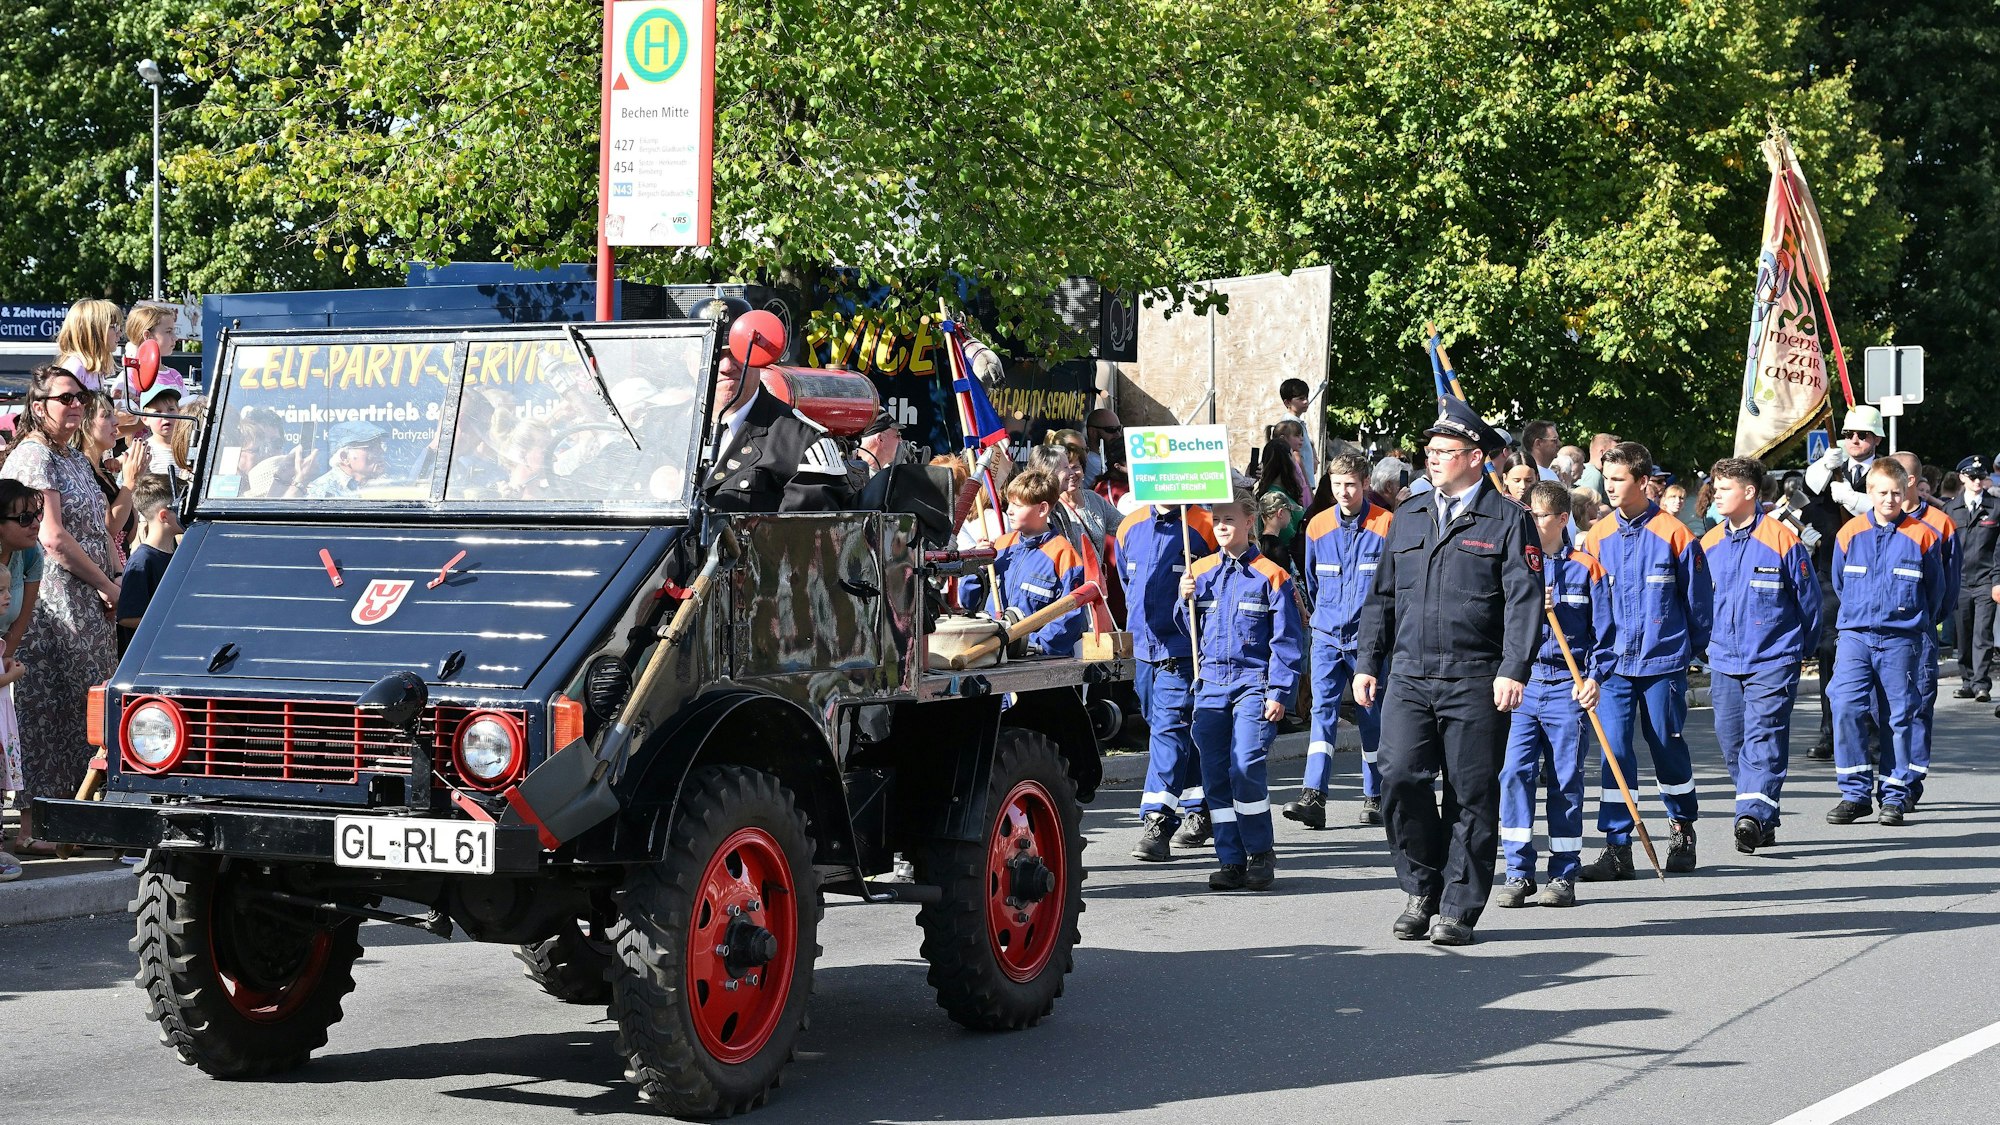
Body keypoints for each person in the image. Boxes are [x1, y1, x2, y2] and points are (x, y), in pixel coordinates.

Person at [1354, 397, 1541, 945]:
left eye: (1444, 450)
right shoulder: (1409, 513)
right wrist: (1367, 661)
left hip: (1477, 675)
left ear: (1476, 457)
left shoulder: (1509, 519)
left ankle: (1458, 906)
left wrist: (1514, 668)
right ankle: (1421, 887)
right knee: (1398, 776)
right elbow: (1382, 596)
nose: (1431, 458)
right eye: (1429, 450)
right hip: (1410, 674)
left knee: (1470, 793)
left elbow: (1524, 601)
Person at [1576, 441, 1711, 881]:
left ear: (1642, 481)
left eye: (1618, 480)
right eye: (1606, 479)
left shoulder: (1676, 534)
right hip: (1612, 666)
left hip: (1662, 663)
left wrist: (1683, 653)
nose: (1609, 487)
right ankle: (1618, 846)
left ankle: (1681, 827)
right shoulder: (1597, 537)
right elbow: (1589, 604)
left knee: (1666, 746)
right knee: (1614, 753)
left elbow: (1699, 605)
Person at [0, 366, 119, 857]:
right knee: (48, 709)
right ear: (39, 405)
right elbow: (50, 537)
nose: (76, 405)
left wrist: (116, 579)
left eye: (81, 397)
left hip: (89, 597)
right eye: (65, 397)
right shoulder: (35, 456)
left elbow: (98, 528)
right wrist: (105, 584)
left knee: (86, 708)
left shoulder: (72, 456)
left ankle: (80, 815)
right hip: (53, 601)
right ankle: (39, 822)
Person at [1176, 490, 1305, 890]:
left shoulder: (1272, 575)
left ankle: (1260, 852)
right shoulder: (1200, 572)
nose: (1220, 526)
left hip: (1253, 685)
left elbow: (1287, 641)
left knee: (1245, 766)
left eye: (1229, 519)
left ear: (1250, 522)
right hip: (1211, 684)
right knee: (1215, 775)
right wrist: (1184, 600)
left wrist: (1279, 692)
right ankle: (1230, 859)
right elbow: (1189, 632)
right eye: (1216, 519)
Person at [1496, 480, 1612, 908]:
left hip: (1568, 684)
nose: (1531, 521)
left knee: (1565, 780)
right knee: (1514, 773)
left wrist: (1595, 678)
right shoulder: (1516, 565)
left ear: (1562, 519)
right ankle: (1518, 871)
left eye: (1540, 515)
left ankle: (1563, 873)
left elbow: (1606, 636)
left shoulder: (1587, 569)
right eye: (1529, 513)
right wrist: (1529, 602)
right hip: (1524, 684)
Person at [1701, 457, 1822, 854]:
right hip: (1724, 660)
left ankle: (1751, 816)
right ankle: (1763, 815)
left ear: (1750, 492)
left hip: (1773, 658)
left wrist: (1799, 651)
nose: (1716, 494)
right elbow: (1697, 603)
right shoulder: (1709, 544)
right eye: (1715, 488)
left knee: (1764, 736)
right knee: (1733, 742)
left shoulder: (1782, 540)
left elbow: (1809, 603)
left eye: (1725, 488)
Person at [1825, 459, 1947, 826]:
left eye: (1896, 492)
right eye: (1882, 492)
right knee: (1845, 705)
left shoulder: (1923, 535)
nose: (1890, 499)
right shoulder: (1849, 533)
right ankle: (1855, 793)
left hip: (1900, 638)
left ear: (1906, 490)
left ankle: (1894, 794)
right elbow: (1840, 583)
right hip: (1856, 635)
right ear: (1869, 492)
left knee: (1898, 715)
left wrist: (1912, 623)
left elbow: (1936, 591)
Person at [1286, 452, 1392, 829]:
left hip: (1369, 641)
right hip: (1327, 636)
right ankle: (1313, 794)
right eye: (1336, 485)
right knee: (1322, 713)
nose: (1343, 492)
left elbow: (1392, 587)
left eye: (1350, 484)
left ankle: (1376, 794)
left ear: (1365, 484)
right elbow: (1313, 582)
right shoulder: (1317, 525)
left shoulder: (1386, 524)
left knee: (1370, 716)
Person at [1120, 499, 1219, 860]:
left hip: (1182, 647)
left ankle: (1157, 820)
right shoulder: (1129, 526)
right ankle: (1200, 807)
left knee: (1169, 730)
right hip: (1143, 649)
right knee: (1171, 730)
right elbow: (1127, 581)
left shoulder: (1206, 524)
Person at [699, 311, 853, 512]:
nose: (726, 366)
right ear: (690, 359)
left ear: (759, 357)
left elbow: (806, 530)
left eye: (737, 353)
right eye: (715, 354)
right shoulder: (665, 433)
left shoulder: (802, 443)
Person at [959, 470, 1086, 657]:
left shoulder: (1064, 556)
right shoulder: (1001, 546)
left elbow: (1069, 618)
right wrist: (976, 566)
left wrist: (1029, 645)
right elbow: (968, 602)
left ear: (1042, 509)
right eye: (1009, 503)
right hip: (991, 653)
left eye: (1017, 505)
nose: (1009, 510)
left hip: (1036, 661)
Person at [0, 479, 42, 881]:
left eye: (38, 515)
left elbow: (21, 618)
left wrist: (3, 660)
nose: (35, 525)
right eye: (24, 517)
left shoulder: (30, 554)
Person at [1946, 456, 1999, 702]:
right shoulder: (1951, 509)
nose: (1977, 481)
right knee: (1963, 632)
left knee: (1983, 633)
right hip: (1960, 580)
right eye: (1972, 476)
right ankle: (1967, 680)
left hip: (1986, 578)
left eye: (1981, 476)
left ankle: (1981, 684)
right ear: (1962, 478)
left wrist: (1997, 580)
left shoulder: (1996, 507)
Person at [115, 475, 179, 655]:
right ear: (164, 516)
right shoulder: (142, 561)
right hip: (150, 656)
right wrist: (171, 623)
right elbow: (127, 617)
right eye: (181, 507)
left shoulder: (177, 551)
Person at [1804, 406, 1886, 518]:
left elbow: (1890, 508)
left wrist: (1853, 499)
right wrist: (1823, 466)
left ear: (1877, 439)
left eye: (1862, 435)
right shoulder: (1831, 470)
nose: (1854, 440)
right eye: (1849, 434)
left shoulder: (1886, 473)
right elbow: (1809, 490)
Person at [1253, 436, 1306, 572]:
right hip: (1284, 562)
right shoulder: (1274, 497)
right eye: (1292, 455)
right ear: (1288, 459)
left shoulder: (1284, 491)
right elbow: (1286, 535)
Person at [305, 421, 391, 499]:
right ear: (344, 457)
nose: (381, 451)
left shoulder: (385, 483)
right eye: (372, 447)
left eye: (380, 446)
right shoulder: (322, 492)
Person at [53, 299, 122, 393]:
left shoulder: (92, 368)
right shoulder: (76, 367)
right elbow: (64, 401)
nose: (119, 333)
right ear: (95, 332)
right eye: (115, 327)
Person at [1277, 378, 1319, 486]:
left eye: (1306, 397)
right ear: (1287, 402)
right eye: (1300, 398)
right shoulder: (1290, 424)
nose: (1306, 401)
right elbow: (1295, 455)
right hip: (1300, 483)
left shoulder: (1298, 422)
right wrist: (1306, 485)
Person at [1084, 408, 1125, 489]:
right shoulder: (1092, 461)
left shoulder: (1104, 458)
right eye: (1111, 430)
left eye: (1119, 429)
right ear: (1093, 432)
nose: (1118, 435)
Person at [1577, 433, 1618, 504]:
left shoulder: (1583, 470)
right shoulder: (1594, 475)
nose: (1618, 457)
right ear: (1602, 452)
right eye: (1614, 453)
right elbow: (1590, 506)